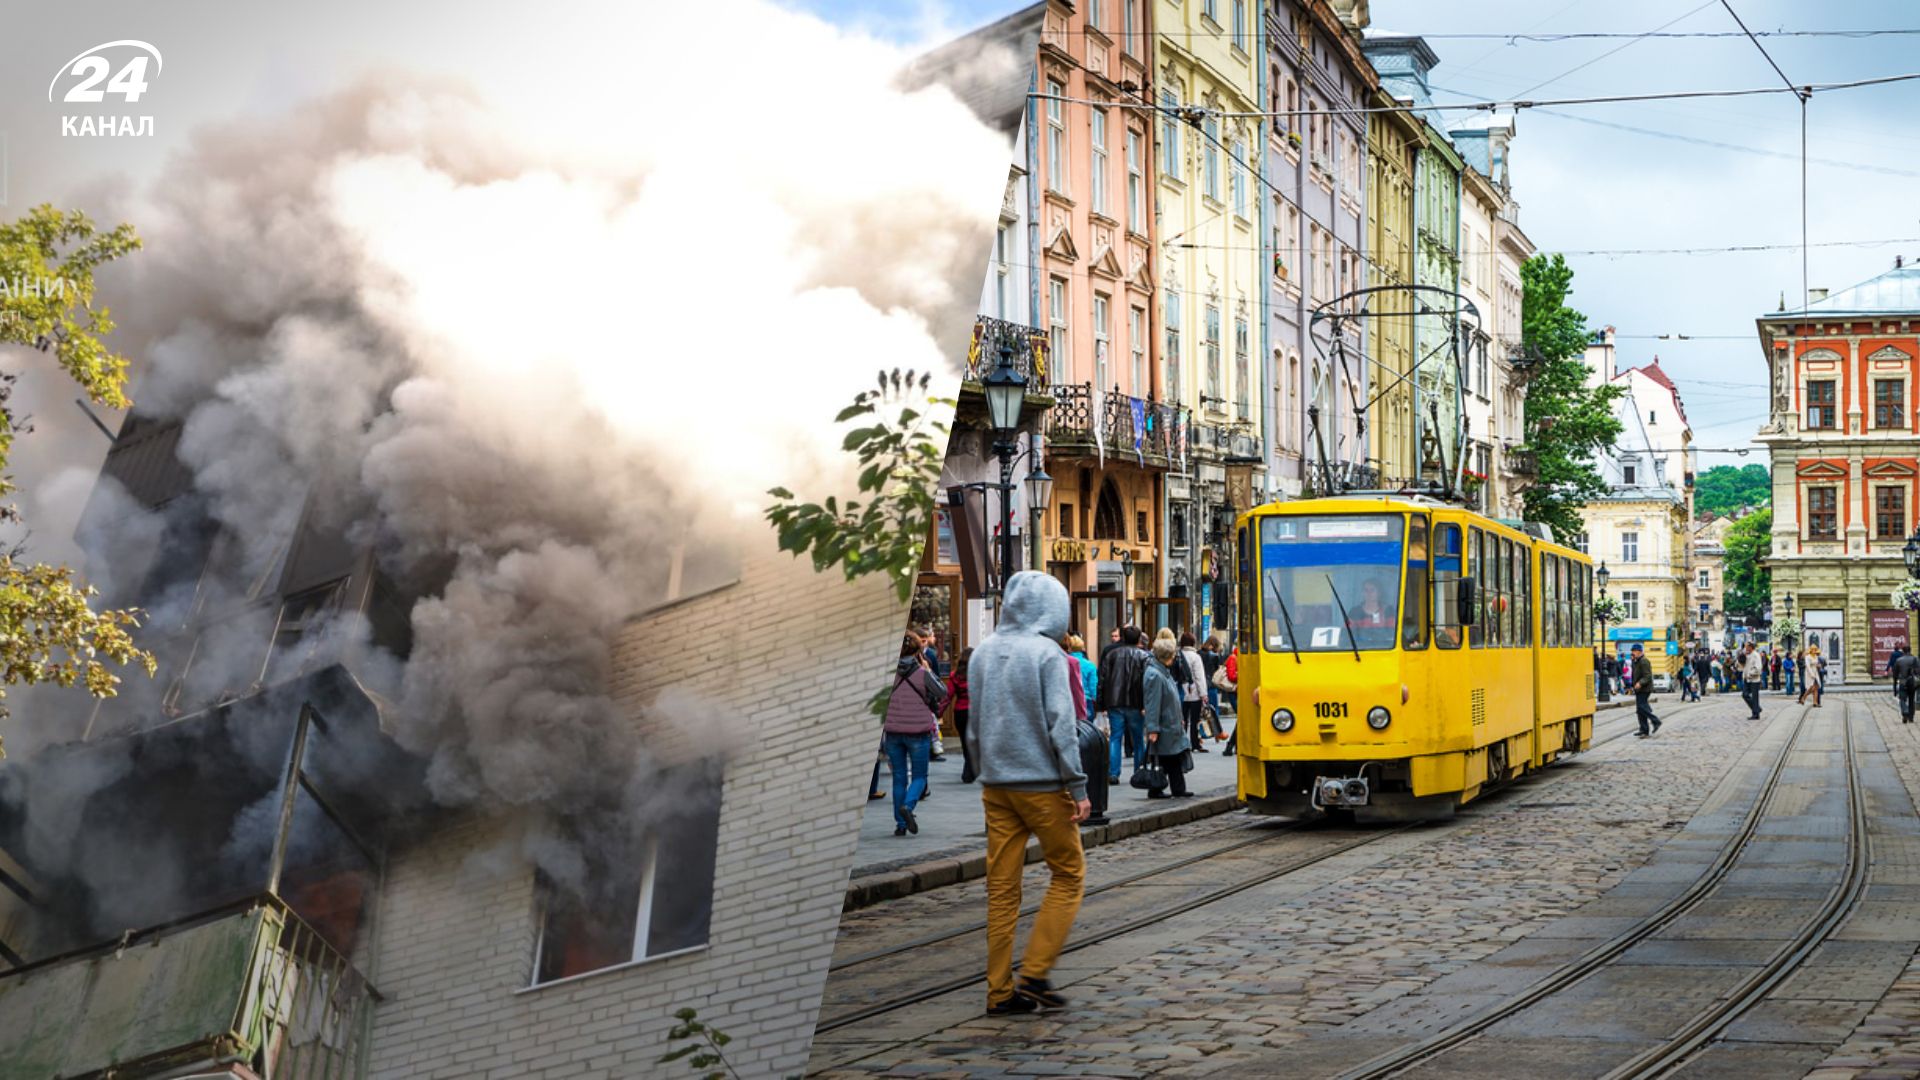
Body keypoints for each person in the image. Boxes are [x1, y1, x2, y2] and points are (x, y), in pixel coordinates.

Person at [965, 570, 1089, 1016]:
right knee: (1069, 873)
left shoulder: (982, 653)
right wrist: (1077, 786)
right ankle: (1035, 971)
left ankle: (999, 992)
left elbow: (973, 725)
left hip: (996, 788)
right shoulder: (1047, 654)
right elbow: (1063, 726)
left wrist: (985, 770)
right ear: (1053, 610)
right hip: (1042, 787)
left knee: (1001, 890)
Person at [884, 634, 946, 836]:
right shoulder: (921, 673)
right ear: (917, 651)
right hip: (918, 732)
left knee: (898, 778)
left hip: (893, 731)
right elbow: (941, 692)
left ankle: (900, 825)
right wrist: (929, 671)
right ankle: (908, 807)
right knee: (919, 776)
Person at [1096, 626, 1151, 786]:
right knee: (1138, 739)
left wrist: (1101, 704)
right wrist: (1146, 704)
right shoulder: (1143, 656)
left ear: (1123, 638)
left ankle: (1113, 773)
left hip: (1115, 702)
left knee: (1115, 737)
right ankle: (1139, 770)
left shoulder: (1112, 655)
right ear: (1138, 639)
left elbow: (1102, 680)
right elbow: (1147, 682)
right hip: (1135, 702)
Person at [1142, 639, 1195, 799]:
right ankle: (1158, 788)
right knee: (1167, 758)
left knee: (1171, 758)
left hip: (1171, 724)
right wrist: (1153, 728)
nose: (1174, 659)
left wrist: (1179, 718)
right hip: (1164, 725)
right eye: (1172, 655)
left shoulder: (1163, 672)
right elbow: (1153, 704)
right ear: (1166, 656)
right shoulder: (1155, 675)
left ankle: (1172, 789)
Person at [1174, 631, 1208, 753]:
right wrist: (1203, 694)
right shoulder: (1196, 657)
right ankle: (1195, 743)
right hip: (1194, 693)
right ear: (1193, 643)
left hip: (1180, 692)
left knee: (1182, 719)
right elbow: (1199, 677)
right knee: (1194, 720)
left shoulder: (1177, 655)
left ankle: (1181, 743)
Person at [948, 648, 976, 784]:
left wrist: (938, 713)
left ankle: (969, 769)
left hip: (960, 712)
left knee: (965, 742)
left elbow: (948, 695)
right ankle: (970, 770)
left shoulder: (955, 676)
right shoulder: (978, 673)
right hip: (976, 712)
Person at [1631, 642, 1661, 738]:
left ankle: (1656, 721)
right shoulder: (1637, 661)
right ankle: (1644, 729)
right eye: (1632, 651)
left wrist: (1640, 683)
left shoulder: (1644, 661)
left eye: (1634, 651)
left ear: (1640, 652)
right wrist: (1633, 661)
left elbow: (1648, 676)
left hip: (1644, 688)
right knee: (1640, 709)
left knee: (1642, 708)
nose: (1632, 653)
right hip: (1639, 689)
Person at [1065, 633, 1099, 709]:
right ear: (1082, 647)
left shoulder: (1063, 662)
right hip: (1086, 700)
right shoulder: (1090, 665)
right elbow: (1093, 687)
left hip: (1068, 700)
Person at [1895, 646, 1920, 723]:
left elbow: (1895, 673)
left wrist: (1895, 683)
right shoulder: (1915, 659)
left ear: (1903, 651)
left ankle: (1905, 711)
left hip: (1903, 681)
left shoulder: (1898, 660)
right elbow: (1918, 671)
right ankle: (1911, 717)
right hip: (1912, 682)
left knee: (1902, 699)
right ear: (1910, 650)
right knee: (1911, 699)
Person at [1741, 642, 1765, 720]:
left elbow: (1758, 668)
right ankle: (1757, 708)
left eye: (1747, 647)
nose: (1745, 648)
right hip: (1746, 679)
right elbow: (1740, 665)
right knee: (1744, 694)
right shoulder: (1746, 655)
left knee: (1755, 697)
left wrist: (1750, 674)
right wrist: (1741, 657)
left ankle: (1756, 714)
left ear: (1751, 647)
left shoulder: (1756, 655)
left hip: (1754, 679)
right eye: (1745, 647)